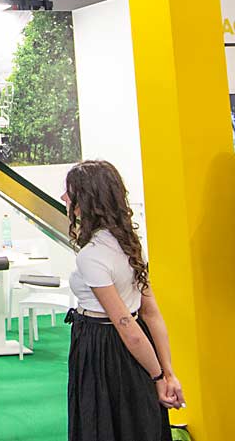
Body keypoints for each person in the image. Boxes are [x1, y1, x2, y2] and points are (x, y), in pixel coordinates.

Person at [62, 160, 184, 441]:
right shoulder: (130, 243)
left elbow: (127, 326)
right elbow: (150, 314)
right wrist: (167, 373)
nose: (64, 199)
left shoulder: (92, 255)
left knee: (103, 423)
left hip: (100, 348)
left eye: (69, 193)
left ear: (86, 199)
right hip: (129, 350)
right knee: (134, 420)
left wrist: (157, 378)